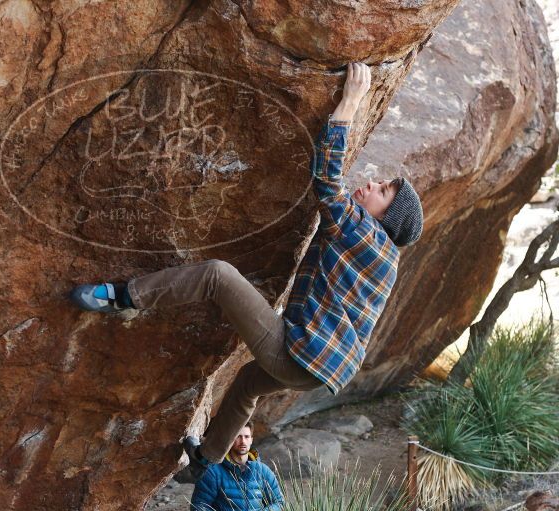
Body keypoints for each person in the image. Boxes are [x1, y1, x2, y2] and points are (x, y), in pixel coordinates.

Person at [69, 62, 424, 480]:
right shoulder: (381, 254)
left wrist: (349, 102)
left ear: (387, 219)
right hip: (318, 368)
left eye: (382, 191)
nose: (371, 185)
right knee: (249, 383)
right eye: (381, 183)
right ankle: (206, 461)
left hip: (301, 355)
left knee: (217, 274)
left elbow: (327, 181)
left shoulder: (367, 235)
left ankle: (123, 297)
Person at [189, 421, 282, 511]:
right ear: (230, 439)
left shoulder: (263, 471)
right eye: (238, 436)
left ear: (251, 439)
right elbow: (197, 507)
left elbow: (278, 502)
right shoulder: (213, 472)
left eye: (246, 437)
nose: (243, 441)